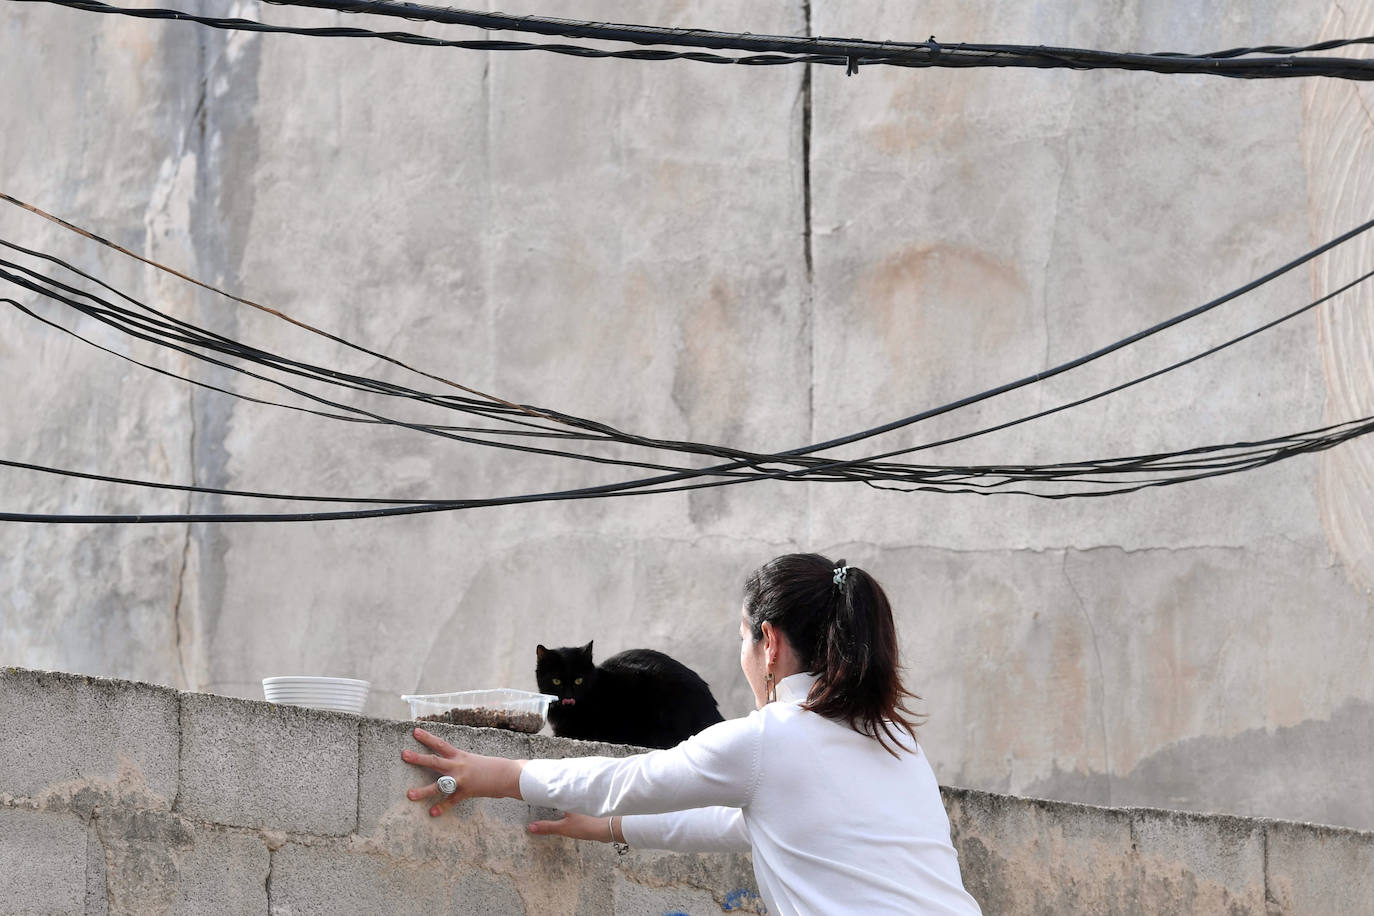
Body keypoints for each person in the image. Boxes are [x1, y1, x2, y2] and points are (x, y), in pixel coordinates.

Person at [401, 553, 982, 915]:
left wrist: (498, 774)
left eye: (743, 639)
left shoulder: (772, 738)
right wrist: (611, 829)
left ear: (770, 643)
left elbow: (631, 778)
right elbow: (738, 823)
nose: (744, 657)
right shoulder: (896, 744)